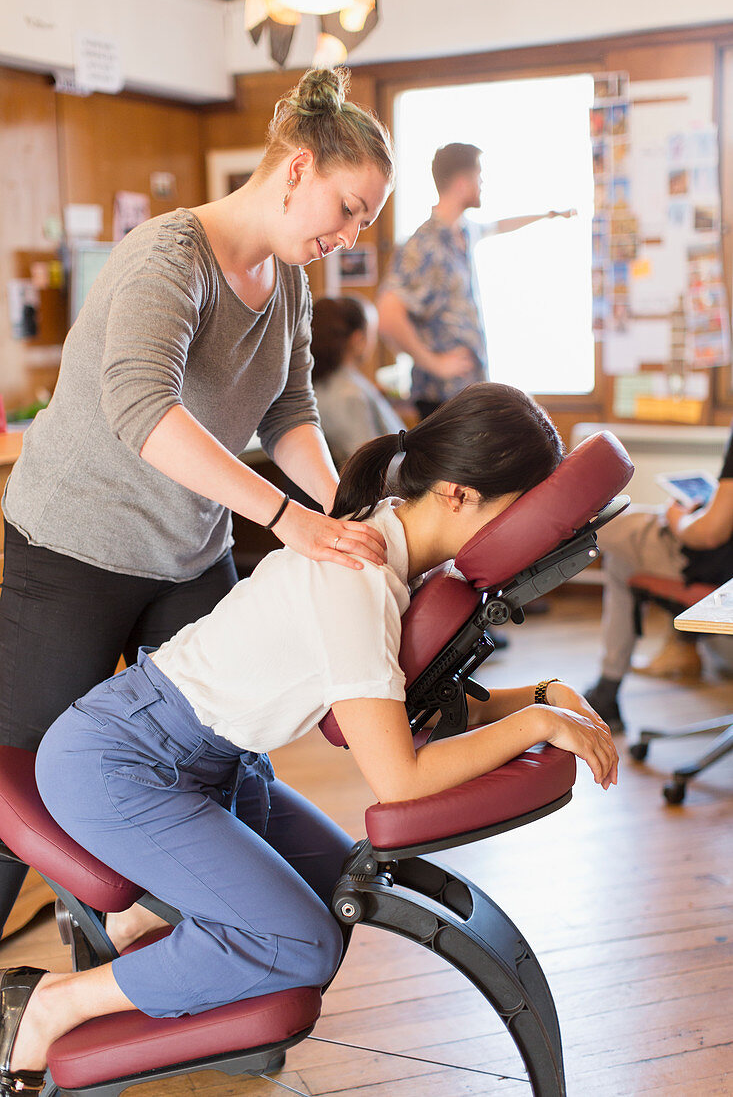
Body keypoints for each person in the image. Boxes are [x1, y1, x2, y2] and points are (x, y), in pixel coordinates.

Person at [0, 384, 617, 1090]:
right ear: (456, 494)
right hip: (123, 764)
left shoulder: (394, 542)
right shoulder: (357, 580)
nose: (530, 536)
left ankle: (150, 932)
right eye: (524, 512)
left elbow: (415, 706)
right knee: (298, 942)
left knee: (337, 884)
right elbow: (399, 779)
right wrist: (538, 725)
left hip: (212, 764)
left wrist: (539, 697)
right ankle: (53, 1004)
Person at [0, 66, 394, 935]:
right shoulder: (166, 257)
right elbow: (145, 411)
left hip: (186, 552)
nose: (351, 234)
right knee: (22, 769)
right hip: (75, 547)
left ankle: (185, 961)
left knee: (216, 755)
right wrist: (290, 521)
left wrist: (345, 516)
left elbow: (289, 411)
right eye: (349, 209)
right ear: (296, 169)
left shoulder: (289, 280)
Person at [377, 142, 575, 420]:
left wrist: (547, 215)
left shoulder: (464, 231)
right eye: (478, 175)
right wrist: (434, 364)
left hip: (466, 391)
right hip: (441, 399)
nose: (482, 182)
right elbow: (386, 315)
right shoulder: (424, 244)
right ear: (461, 182)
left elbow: (500, 226)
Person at [586, 422, 733, 734]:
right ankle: (609, 689)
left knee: (594, 525)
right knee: (623, 560)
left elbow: (707, 534)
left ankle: (607, 690)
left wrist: (678, 517)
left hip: (713, 570)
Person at [311, 294, 404, 467]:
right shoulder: (347, 395)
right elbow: (370, 468)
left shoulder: (328, 383)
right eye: (372, 334)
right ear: (358, 340)